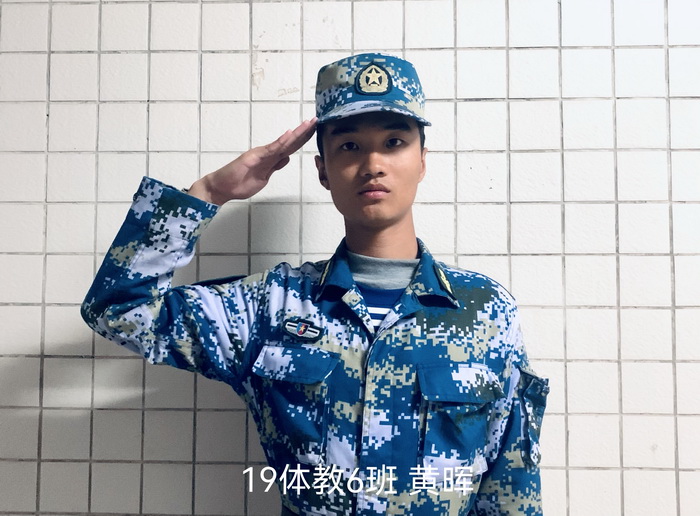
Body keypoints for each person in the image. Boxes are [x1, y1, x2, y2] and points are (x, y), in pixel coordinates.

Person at [82, 53, 549, 515]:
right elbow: (119, 309)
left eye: (393, 142)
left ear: (422, 160)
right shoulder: (271, 306)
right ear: (323, 169)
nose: (373, 164)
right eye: (349, 146)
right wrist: (209, 192)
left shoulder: (484, 311)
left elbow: (510, 483)